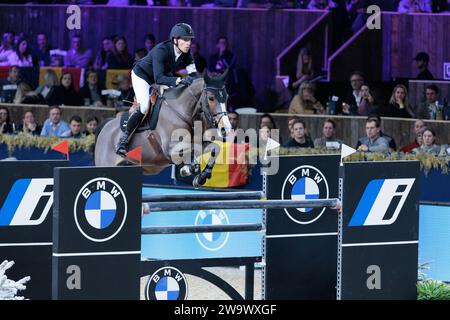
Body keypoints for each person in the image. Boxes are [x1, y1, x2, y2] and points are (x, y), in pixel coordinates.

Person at [116, 23, 198, 156]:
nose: (188, 43)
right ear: (175, 40)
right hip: (142, 76)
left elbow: (194, 75)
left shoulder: (187, 53)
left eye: (190, 40)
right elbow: (159, 78)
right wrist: (180, 80)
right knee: (144, 107)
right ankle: (123, 140)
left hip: (162, 77)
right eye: (185, 39)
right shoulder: (161, 50)